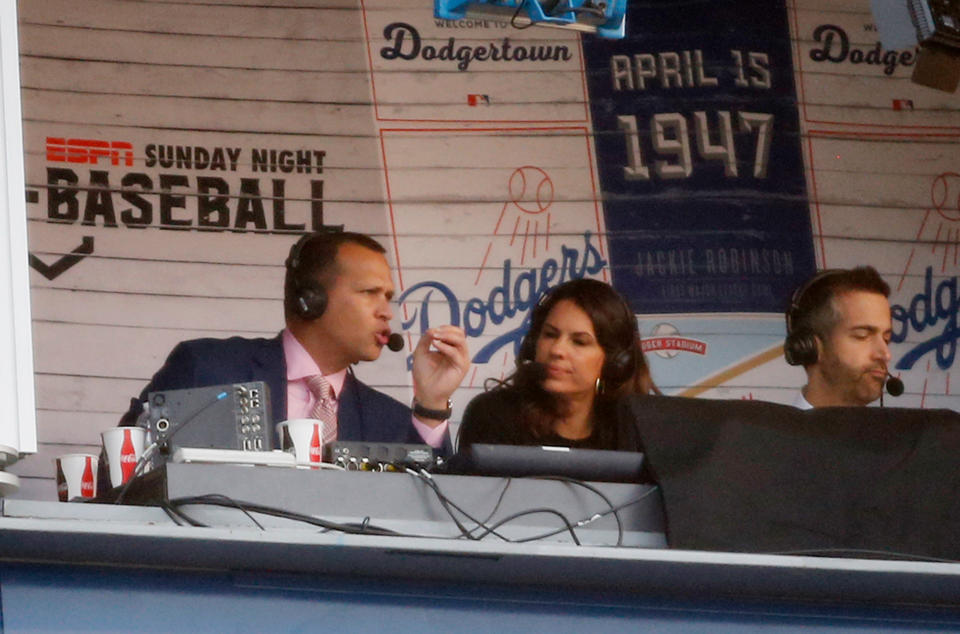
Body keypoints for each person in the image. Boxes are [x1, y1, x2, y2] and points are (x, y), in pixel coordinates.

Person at [120, 230, 470, 455]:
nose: (387, 313)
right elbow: (124, 469)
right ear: (311, 299)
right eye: (370, 293)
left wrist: (432, 404)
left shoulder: (389, 421)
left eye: (389, 296)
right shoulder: (208, 367)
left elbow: (433, 509)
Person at [457, 278, 659, 452]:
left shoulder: (633, 430)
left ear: (615, 362)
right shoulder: (493, 415)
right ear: (532, 344)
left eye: (579, 342)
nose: (556, 350)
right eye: (550, 335)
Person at [783, 266, 894, 409]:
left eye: (886, 339)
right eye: (862, 336)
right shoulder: (768, 431)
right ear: (811, 347)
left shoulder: (893, 431)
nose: (885, 354)